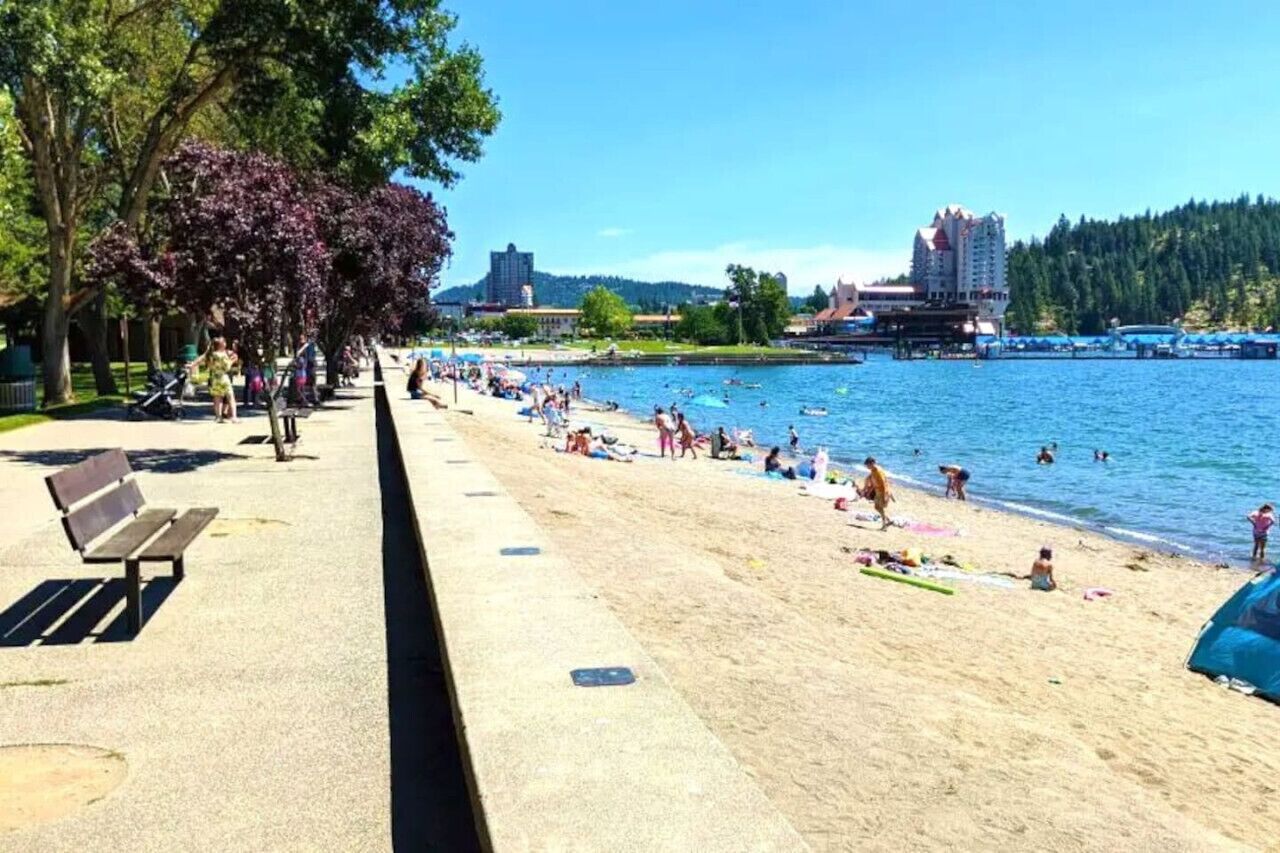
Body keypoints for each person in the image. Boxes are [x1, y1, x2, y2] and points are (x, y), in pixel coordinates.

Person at [191, 336, 238, 423]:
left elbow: (200, 359)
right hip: (223, 377)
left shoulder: (210, 354)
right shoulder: (222, 355)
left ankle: (218, 417)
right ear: (222, 344)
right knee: (230, 397)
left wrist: (192, 365)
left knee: (217, 398)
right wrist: (232, 361)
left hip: (214, 378)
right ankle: (234, 417)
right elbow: (227, 367)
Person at [862, 457, 892, 530]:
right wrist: (868, 491)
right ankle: (888, 520)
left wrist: (885, 494)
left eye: (867, 465)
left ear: (872, 463)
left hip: (882, 491)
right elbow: (873, 482)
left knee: (879, 507)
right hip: (878, 491)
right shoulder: (873, 470)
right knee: (877, 507)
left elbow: (884, 482)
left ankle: (885, 524)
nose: (867, 467)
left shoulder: (878, 471)